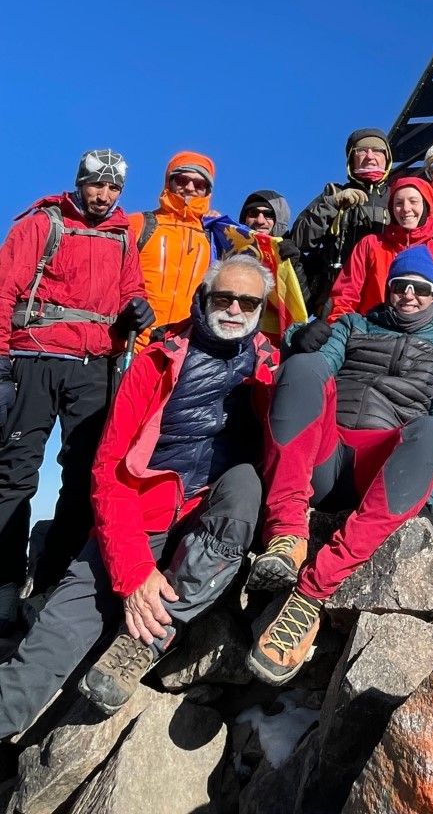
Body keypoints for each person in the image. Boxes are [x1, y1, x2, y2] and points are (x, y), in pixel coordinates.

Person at [0, 254, 279, 735]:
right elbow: (109, 470)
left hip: (209, 510)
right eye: (224, 297)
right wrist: (132, 575)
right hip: (139, 513)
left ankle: (150, 637)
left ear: (261, 309)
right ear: (203, 298)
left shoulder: (270, 366)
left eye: (248, 301)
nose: (234, 308)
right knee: (49, 647)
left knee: (244, 485)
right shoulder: (156, 359)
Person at [245, 245, 433, 685]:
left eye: (420, 289)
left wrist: (427, 484)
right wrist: (298, 340)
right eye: (400, 286)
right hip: (326, 453)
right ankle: (288, 535)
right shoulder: (354, 323)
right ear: (387, 289)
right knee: (306, 367)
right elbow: (318, 368)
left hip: (379, 463)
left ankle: (311, 592)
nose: (409, 295)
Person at [0, 150, 152, 634]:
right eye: (96, 185)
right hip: (34, 358)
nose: (103, 195)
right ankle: (4, 593)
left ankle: (45, 586)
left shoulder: (123, 235)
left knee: (87, 475)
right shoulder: (41, 223)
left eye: (113, 189)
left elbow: (134, 289)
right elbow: (3, 290)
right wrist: (2, 364)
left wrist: (138, 311)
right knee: (15, 474)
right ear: (80, 183)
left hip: (95, 367)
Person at [327, 176, 433, 331]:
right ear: (391, 209)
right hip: (371, 335)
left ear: (426, 205)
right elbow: (345, 295)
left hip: (421, 341)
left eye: (413, 201)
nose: (406, 208)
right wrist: (337, 334)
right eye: (398, 203)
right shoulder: (370, 244)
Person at [290, 128, 393, 315]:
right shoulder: (332, 194)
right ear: (350, 160)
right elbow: (300, 239)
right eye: (361, 151)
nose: (370, 156)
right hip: (336, 301)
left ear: (387, 158)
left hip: (385, 300)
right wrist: (332, 204)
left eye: (377, 151)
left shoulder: (398, 199)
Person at [128, 151, 218, 351]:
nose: (189, 187)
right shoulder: (138, 223)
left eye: (199, 184)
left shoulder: (214, 236)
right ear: (168, 182)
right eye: (181, 179)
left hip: (184, 348)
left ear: (208, 191)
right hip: (133, 343)